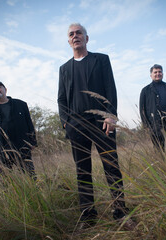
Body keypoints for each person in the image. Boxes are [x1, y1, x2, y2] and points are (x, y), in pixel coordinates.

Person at [57, 23, 135, 230]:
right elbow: (61, 99)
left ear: (86, 38)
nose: (76, 36)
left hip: (102, 123)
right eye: (72, 34)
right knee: (82, 171)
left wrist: (110, 116)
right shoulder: (64, 69)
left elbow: (110, 88)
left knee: (112, 167)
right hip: (76, 125)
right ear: (68, 41)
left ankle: (120, 213)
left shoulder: (101, 60)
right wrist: (66, 122)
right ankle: (88, 217)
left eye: (79, 33)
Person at [0, 81, 37, 178]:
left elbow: (29, 124)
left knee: (30, 177)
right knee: (5, 182)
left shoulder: (21, 105)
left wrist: (32, 142)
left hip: (21, 148)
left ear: (5, 90)